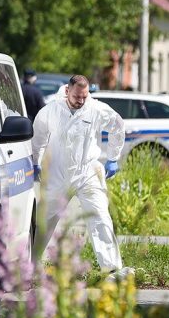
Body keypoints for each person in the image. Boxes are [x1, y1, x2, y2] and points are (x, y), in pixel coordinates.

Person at [31, 74, 133, 280]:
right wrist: (35, 161)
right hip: (58, 173)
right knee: (44, 219)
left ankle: (112, 269)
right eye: (77, 96)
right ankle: (29, 266)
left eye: (84, 97)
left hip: (88, 172)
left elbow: (117, 126)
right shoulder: (50, 111)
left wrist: (113, 157)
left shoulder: (95, 109)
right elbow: (38, 138)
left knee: (100, 215)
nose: (81, 101)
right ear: (67, 91)